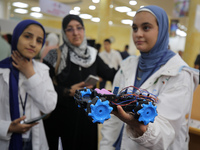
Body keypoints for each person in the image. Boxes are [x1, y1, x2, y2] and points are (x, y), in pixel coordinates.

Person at [100, 5, 199, 150]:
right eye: (135, 28)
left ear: (162, 30)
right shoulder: (127, 66)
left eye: (146, 28)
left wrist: (138, 125)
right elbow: (112, 120)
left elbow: (166, 132)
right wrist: (106, 146)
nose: (138, 34)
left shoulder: (179, 74)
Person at [42, 14, 117, 150]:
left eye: (79, 28)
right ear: (64, 33)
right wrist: (67, 91)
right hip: (62, 119)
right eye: (70, 29)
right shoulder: (54, 55)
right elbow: (44, 87)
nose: (75, 33)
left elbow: (111, 74)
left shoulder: (92, 55)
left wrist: (132, 67)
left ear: (84, 30)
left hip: (87, 119)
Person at [0, 19, 57, 150]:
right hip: (5, 140)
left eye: (39, 40)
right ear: (16, 37)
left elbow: (49, 105)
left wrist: (30, 73)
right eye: (27, 36)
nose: (33, 44)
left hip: (33, 139)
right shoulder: (1, 70)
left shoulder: (42, 70)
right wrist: (8, 127)